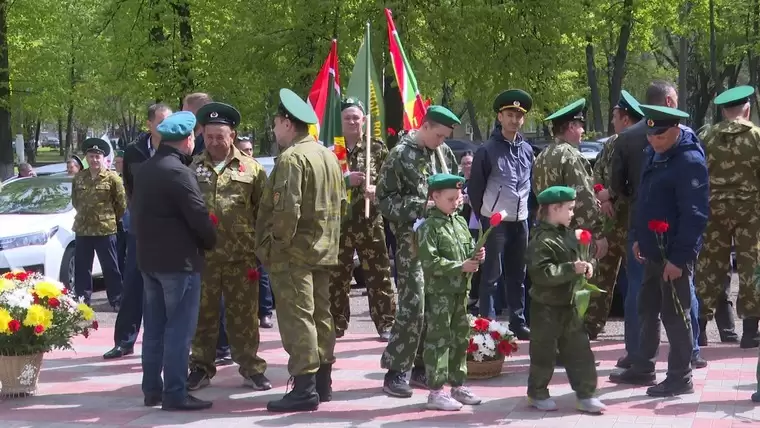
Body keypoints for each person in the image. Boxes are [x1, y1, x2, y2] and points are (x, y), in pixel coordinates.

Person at [255, 88, 346, 412]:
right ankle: (323, 384)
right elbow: (341, 205)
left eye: (276, 123)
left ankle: (304, 386)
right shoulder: (328, 156)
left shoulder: (293, 158)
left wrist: (271, 247)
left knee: (298, 318)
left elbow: (286, 212)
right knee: (321, 315)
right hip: (322, 250)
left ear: (287, 123)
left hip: (293, 254)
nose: (274, 130)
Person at [609, 104, 708, 397]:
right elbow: (646, 199)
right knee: (647, 306)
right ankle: (643, 366)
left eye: (661, 136)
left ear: (677, 130)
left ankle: (680, 376)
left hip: (673, 254)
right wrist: (640, 236)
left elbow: (695, 215)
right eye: (651, 135)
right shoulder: (655, 153)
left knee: (676, 314)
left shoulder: (689, 160)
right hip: (652, 249)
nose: (654, 141)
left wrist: (679, 259)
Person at [132, 111, 217, 411]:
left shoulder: (145, 169)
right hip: (179, 264)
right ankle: (176, 394)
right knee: (179, 331)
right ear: (188, 139)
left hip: (149, 262)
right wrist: (211, 241)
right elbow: (199, 217)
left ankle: (152, 390)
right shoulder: (179, 172)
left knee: (154, 330)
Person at [186, 102, 271, 392]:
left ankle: (251, 367)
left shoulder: (252, 169)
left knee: (244, 317)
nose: (213, 142)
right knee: (203, 317)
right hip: (204, 259)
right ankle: (200, 367)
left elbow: (264, 212)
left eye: (219, 136)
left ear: (232, 135)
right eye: (208, 136)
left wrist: (261, 250)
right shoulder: (193, 167)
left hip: (241, 257)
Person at [376, 105, 460, 398]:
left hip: (441, 239)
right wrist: (421, 207)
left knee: (436, 304)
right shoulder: (400, 155)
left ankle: (423, 368)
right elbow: (384, 200)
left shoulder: (443, 153)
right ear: (425, 126)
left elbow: (455, 185)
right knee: (413, 305)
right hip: (412, 240)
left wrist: (454, 201)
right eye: (438, 135)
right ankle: (396, 370)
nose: (441, 141)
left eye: (445, 137)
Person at [526, 185, 606, 413]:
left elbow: (584, 258)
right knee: (544, 353)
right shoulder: (542, 240)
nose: (572, 213)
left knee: (580, 351)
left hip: (569, 305)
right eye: (569, 209)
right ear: (554, 208)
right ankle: (537, 392)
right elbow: (541, 274)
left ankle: (586, 394)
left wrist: (589, 266)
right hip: (546, 307)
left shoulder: (568, 235)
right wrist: (572, 268)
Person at [104, 103, 172, 360]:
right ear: (149, 124)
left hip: (169, 226)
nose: (166, 127)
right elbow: (129, 186)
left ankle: (171, 344)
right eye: (161, 122)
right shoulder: (134, 151)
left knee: (169, 285)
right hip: (141, 224)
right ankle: (124, 341)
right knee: (133, 281)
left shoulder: (176, 147)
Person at [697, 85, 760, 349]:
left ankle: (698, 329)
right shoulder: (757, 136)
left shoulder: (707, 136)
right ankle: (750, 332)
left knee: (709, 266)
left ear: (724, 112)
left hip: (713, 209)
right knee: (751, 267)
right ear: (747, 109)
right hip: (750, 211)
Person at [329, 98, 396, 341]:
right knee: (337, 276)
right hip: (340, 224)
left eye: (356, 117)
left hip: (370, 222)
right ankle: (336, 323)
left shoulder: (376, 148)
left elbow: (391, 182)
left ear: (364, 121)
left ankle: (386, 322)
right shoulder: (330, 150)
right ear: (341, 121)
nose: (352, 121)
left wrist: (376, 189)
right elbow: (321, 186)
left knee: (379, 275)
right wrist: (344, 182)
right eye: (347, 117)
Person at [417, 173, 485, 411]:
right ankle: (436, 392)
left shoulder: (459, 222)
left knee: (459, 338)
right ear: (435, 197)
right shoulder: (429, 227)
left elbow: (466, 249)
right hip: (440, 295)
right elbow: (430, 262)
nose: (456, 202)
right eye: (450, 198)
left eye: (458, 197)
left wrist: (476, 254)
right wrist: (459, 266)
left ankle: (457, 385)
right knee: (438, 340)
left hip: (460, 292)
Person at [468, 89, 533, 339]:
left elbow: (530, 185)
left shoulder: (527, 150)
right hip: (495, 222)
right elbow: (475, 188)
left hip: (521, 221)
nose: (514, 120)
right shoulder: (487, 150)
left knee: (519, 274)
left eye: (518, 115)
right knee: (492, 275)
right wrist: (485, 216)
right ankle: (488, 323)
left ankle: (518, 321)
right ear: (499, 116)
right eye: (509, 114)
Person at [584, 90, 644, 340]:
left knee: (636, 280)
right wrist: (601, 195)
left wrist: (612, 195)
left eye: (616, 116)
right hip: (608, 223)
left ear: (626, 119)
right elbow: (596, 175)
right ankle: (590, 326)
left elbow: (633, 182)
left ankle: (638, 331)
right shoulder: (610, 144)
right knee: (601, 276)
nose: (613, 121)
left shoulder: (638, 144)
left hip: (630, 223)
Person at [71, 138, 126, 310]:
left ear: (103, 158)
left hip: (105, 230)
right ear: (86, 158)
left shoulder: (112, 178)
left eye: (97, 156)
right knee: (82, 268)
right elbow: (75, 201)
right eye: (91, 156)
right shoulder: (79, 178)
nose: (94, 160)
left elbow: (121, 204)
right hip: (83, 229)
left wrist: (109, 218)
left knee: (110, 267)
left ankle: (116, 300)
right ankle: (83, 301)